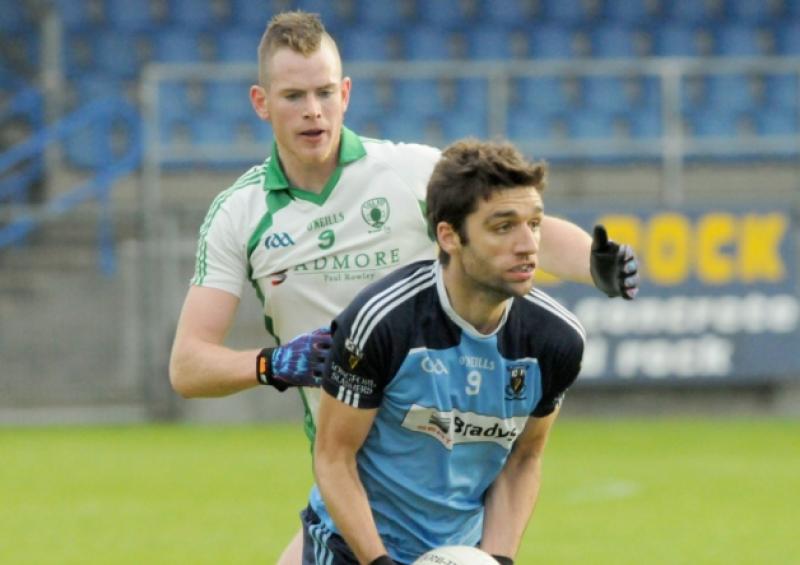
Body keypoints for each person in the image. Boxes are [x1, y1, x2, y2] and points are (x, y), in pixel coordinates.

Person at [167, 10, 637, 565]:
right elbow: (188, 367)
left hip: (443, 450)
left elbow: (512, 220)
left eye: (324, 92)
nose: (313, 111)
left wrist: (594, 264)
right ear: (261, 102)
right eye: (293, 95)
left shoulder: (409, 172)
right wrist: (273, 364)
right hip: (349, 460)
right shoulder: (238, 213)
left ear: (346, 92)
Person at [308, 138, 584, 564]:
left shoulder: (555, 340)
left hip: (460, 552)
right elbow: (333, 457)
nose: (528, 244)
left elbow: (524, 459)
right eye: (503, 226)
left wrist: (497, 560)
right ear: (449, 236)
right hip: (354, 549)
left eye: (534, 223)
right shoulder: (382, 322)